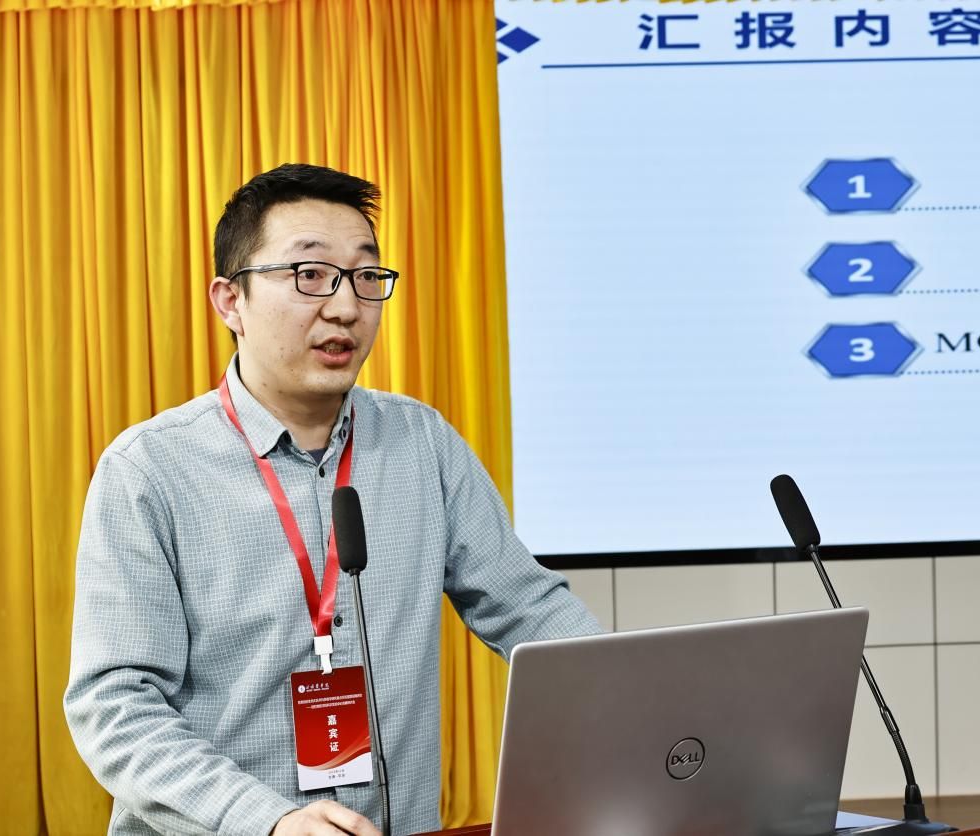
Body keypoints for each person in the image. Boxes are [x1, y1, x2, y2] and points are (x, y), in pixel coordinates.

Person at [64, 163, 602, 836]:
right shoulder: (149, 470)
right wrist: (269, 821)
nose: (346, 307)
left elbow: (529, 608)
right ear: (231, 301)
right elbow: (115, 708)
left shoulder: (422, 442)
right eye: (310, 274)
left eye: (366, 277)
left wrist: (644, 702)